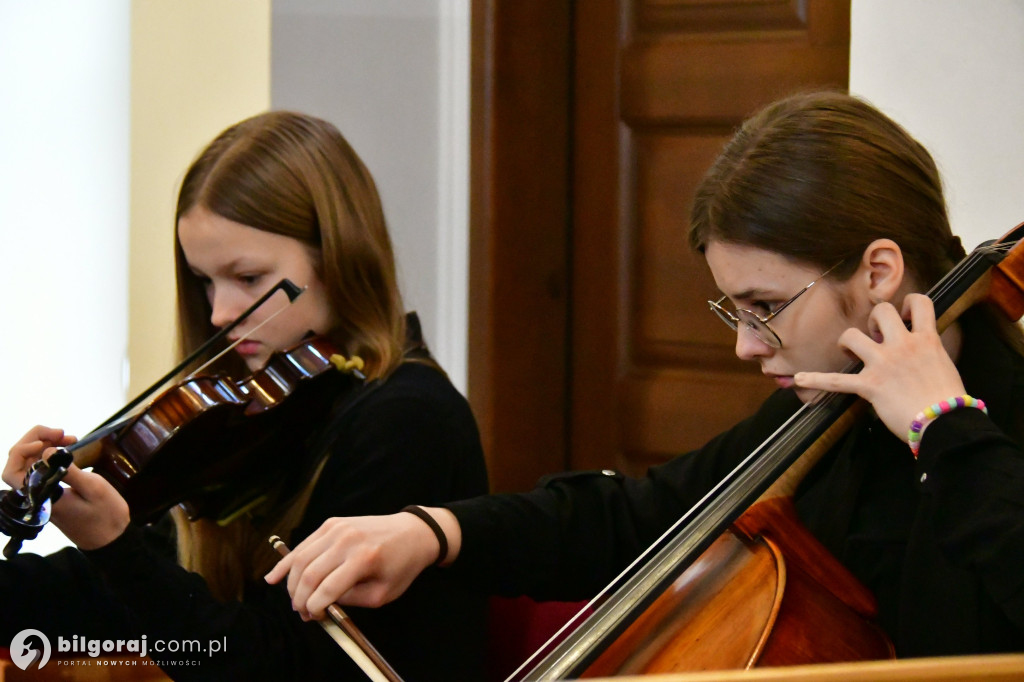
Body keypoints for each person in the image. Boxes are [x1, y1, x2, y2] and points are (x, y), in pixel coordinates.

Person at [267, 91, 1024, 663]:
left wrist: (945, 427)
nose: (747, 347)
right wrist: (436, 531)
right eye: (736, 311)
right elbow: (634, 517)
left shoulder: (1000, 420)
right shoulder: (827, 416)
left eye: (765, 306)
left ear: (879, 272)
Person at [1, 111, 489, 681]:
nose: (219, 312)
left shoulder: (407, 420)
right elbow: (105, 592)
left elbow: (278, 667)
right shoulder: (267, 415)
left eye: (249, 279)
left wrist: (114, 546)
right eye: (206, 280)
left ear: (337, 256)